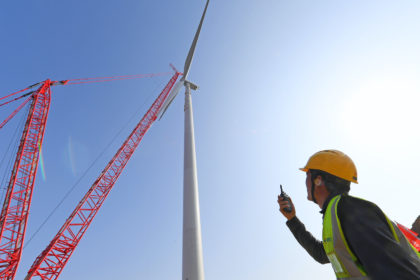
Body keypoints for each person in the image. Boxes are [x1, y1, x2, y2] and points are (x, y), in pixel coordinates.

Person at [277, 149, 420, 279]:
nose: (305, 182)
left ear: (318, 179)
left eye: (308, 174)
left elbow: (399, 274)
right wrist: (292, 219)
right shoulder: (336, 214)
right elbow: (321, 254)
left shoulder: (352, 212)